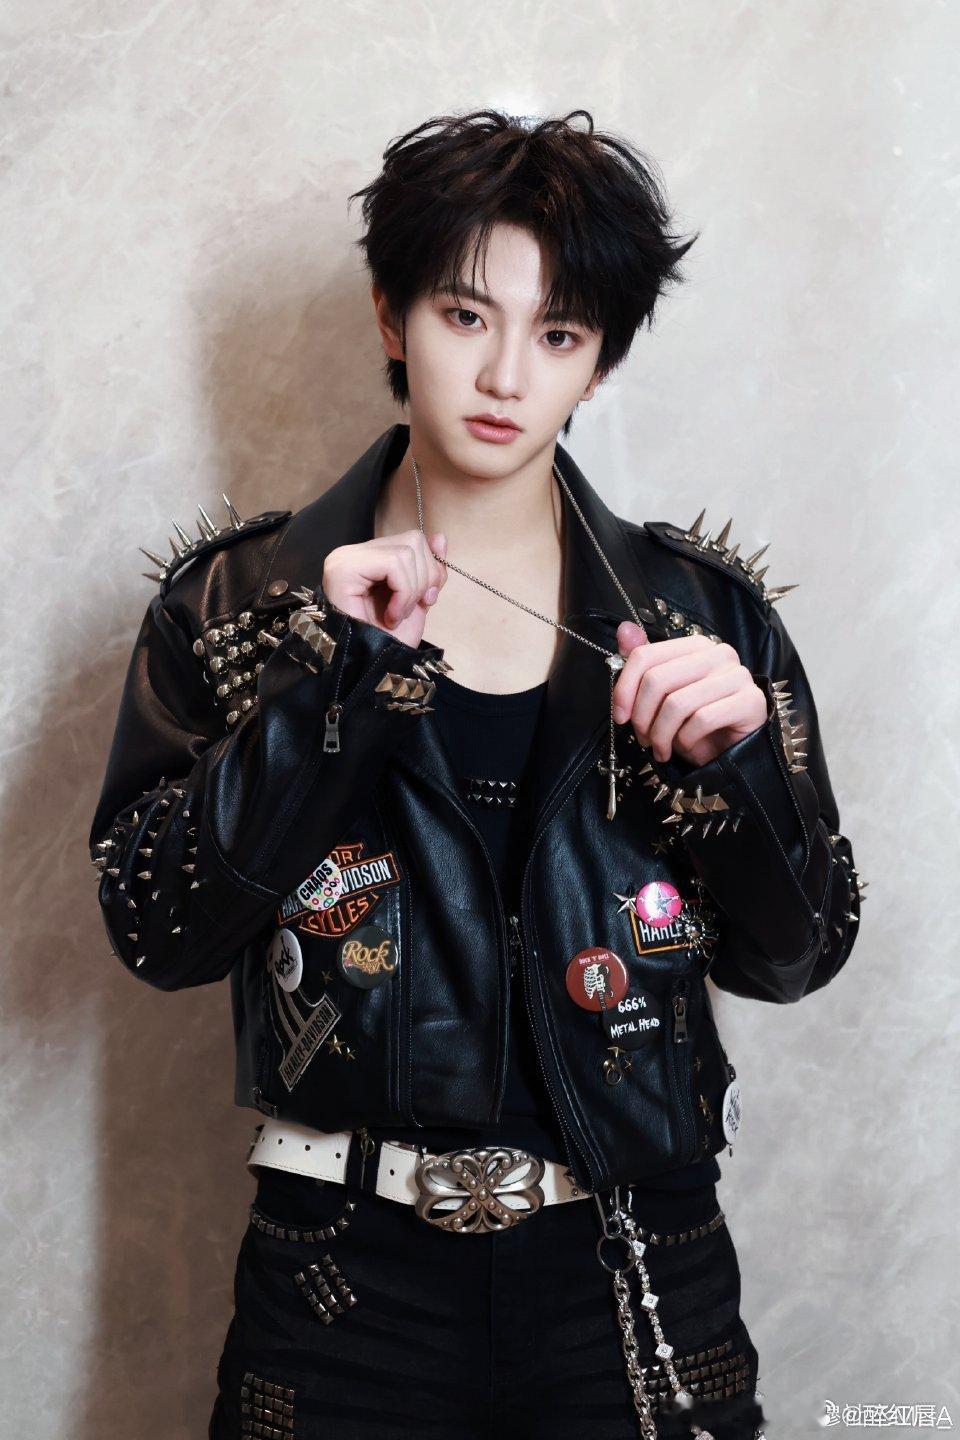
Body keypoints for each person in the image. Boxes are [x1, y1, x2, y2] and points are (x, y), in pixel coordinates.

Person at [88, 109, 864, 1440]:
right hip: (341, 1288)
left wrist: (734, 779)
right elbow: (158, 932)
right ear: (391, 316)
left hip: (639, 1268)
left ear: (600, 365)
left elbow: (798, 958)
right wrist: (337, 689)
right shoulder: (241, 609)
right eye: (465, 316)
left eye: (558, 335)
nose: (506, 374)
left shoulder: (701, 620)